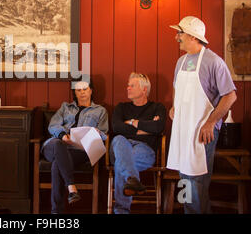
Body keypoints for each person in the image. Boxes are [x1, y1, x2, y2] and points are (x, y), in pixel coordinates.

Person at [167, 16, 237, 214]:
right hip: (183, 131)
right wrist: (175, 106)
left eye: (180, 33)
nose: (176, 37)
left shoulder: (214, 62)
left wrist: (210, 123)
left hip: (201, 132)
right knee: (184, 179)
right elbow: (176, 88)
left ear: (192, 36)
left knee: (196, 181)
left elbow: (230, 96)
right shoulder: (181, 62)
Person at [41, 80, 109, 214]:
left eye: (85, 89)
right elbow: (53, 125)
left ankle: (56, 212)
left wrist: (97, 132)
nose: (82, 92)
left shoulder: (100, 111)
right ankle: (71, 187)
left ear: (91, 90)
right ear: (74, 93)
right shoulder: (65, 107)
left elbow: (105, 135)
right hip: (55, 145)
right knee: (58, 144)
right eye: (78, 90)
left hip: (80, 150)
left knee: (57, 164)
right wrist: (62, 135)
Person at [110, 72, 166, 214]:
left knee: (121, 162)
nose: (128, 88)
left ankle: (121, 210)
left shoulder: (157, 107)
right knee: (118, 139)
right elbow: (116, 127)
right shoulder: (121, 107)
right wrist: (145, 129)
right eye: (128, 85)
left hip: (145, 150)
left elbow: (158, 127)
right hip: (121, 145)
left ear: (144, 89)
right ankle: (132, 179)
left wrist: (132, 122)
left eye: (132, 86)